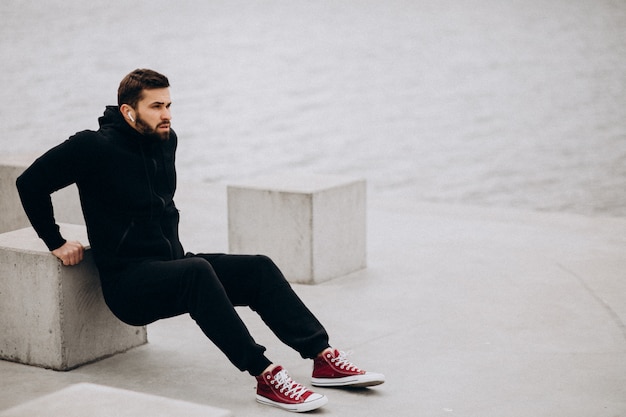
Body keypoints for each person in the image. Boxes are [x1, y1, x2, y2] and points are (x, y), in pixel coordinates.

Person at [16, 69, 384, 413]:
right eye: (156, 106)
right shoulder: (91, 147)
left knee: (257, 267)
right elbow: (30, 183)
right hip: (129, 285)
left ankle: (322, 356)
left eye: (169, 105)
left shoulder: (165, 140)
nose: (167, 115)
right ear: (129, 111)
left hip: (172, 267)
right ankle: (264, 376)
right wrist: (55, 241)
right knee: (197, 271)